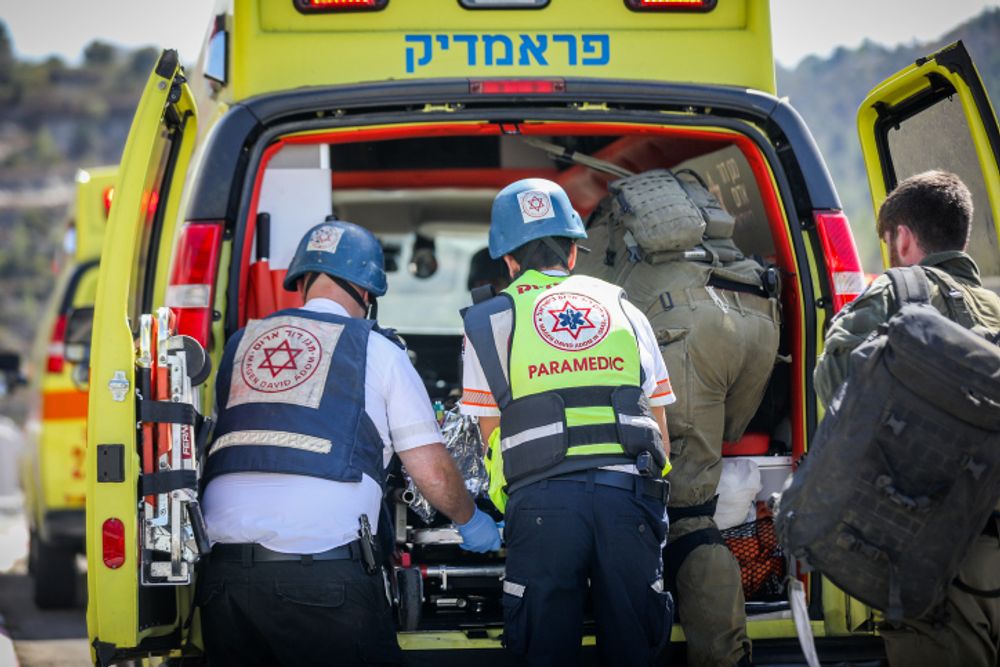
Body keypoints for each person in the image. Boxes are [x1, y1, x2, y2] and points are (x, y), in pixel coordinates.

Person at [198, 220, 501, 666]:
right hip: (322, 579)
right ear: (366, 293)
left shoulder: (242, 344)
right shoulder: (376, 350)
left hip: (224, 582)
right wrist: (471, 520)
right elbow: (431, 470)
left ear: (302, 281)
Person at [460, 178, 674, 666]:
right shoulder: (625, 307)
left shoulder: (489, 321)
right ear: (574, 252)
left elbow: (492, 437)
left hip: (541, 506)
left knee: (544, 649)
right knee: (635, 647)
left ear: (508, 261)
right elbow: (660, 429)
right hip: (629, 497)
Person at [576, 169, 780, 667]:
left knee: (689, 514)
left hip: (684, 324)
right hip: (756, 313)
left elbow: (582, 310)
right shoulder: (703, 214)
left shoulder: (606, 227)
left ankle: (723, 658)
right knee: (719, 448)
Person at [815, 170, 1000, 667]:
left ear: (903, 237)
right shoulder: (996, 308)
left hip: (936, 549)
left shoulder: (899, 292)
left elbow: (835, 386)